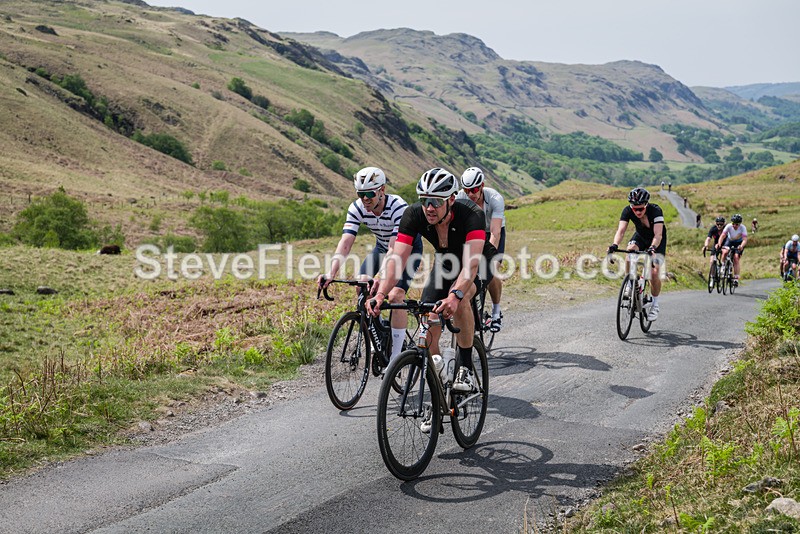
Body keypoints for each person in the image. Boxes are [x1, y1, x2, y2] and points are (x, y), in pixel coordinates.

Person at [368, 167, 496, 398]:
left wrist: (454, 296)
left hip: (478, 262)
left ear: (451, 200)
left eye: (436, 202)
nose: (429, 207)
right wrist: (380, 294)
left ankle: (465, 366)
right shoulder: (414, 214)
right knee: (428, 317)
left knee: (463, 298)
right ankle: (438, 380)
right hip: (446, 262)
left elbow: (470, 267)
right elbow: (397, 258)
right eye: (425, 200)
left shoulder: (471, 214)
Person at [318, 166, 422, 362]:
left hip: (407, 250)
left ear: (382, 190)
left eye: (369, 194)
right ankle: (379, 334)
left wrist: (380, 278)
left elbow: (394, 250)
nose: (365, 199)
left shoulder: (398, 206)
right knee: (361, 285)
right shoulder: (357, 207)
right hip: (381, 249)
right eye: (360, 194)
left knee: (395, 295)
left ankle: (396, 357)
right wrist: (330, 273)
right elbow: (346, 243)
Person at [456, 167, 505, 332]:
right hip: (472, 232)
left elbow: (495, 232)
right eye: (466, 190)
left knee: (491, 272)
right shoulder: (460, 198)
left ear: (482, 186)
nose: (470, 194)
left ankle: (496, 311)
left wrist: (488, 256)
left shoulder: (495, 199)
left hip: (491, 231)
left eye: (474, 189)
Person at [607, 187, 666, 321]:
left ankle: (655, 304)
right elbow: (621, 231)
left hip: (656, 240)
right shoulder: (627, 211)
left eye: (640, 209)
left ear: (646, 205)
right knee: (630, 251)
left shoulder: (655, 210)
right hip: (640, 236)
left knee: (654, 272)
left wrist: (652, 248)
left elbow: (658, 234)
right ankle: (630, 284)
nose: (637, 211)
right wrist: (614, 245)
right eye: (635, 209)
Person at [717, 214, 748, 287]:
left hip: (739, 243)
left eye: (736, 224)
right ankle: (723, 266)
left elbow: (745, 239)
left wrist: (741, 246)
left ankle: (736, 278)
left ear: (739, 224)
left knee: (736, 258)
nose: (734, 225)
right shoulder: (728, 226)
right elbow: (722, 236)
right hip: (730, 241)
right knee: (724, 252)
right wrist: (719, 244)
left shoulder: (743, 228)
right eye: (733, 223)